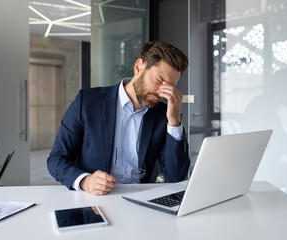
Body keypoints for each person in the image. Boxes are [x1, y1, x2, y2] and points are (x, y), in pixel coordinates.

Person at [47, 41, 190, 195]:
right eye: (159, 80)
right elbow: (57, 159)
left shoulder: (163, 115)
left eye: (170, 86)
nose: (161, 92)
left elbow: (176, 175)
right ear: (138, 67)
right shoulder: (87, 102)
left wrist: (174, 121)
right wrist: (85, 181)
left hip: (141, 201)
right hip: (95, 199)